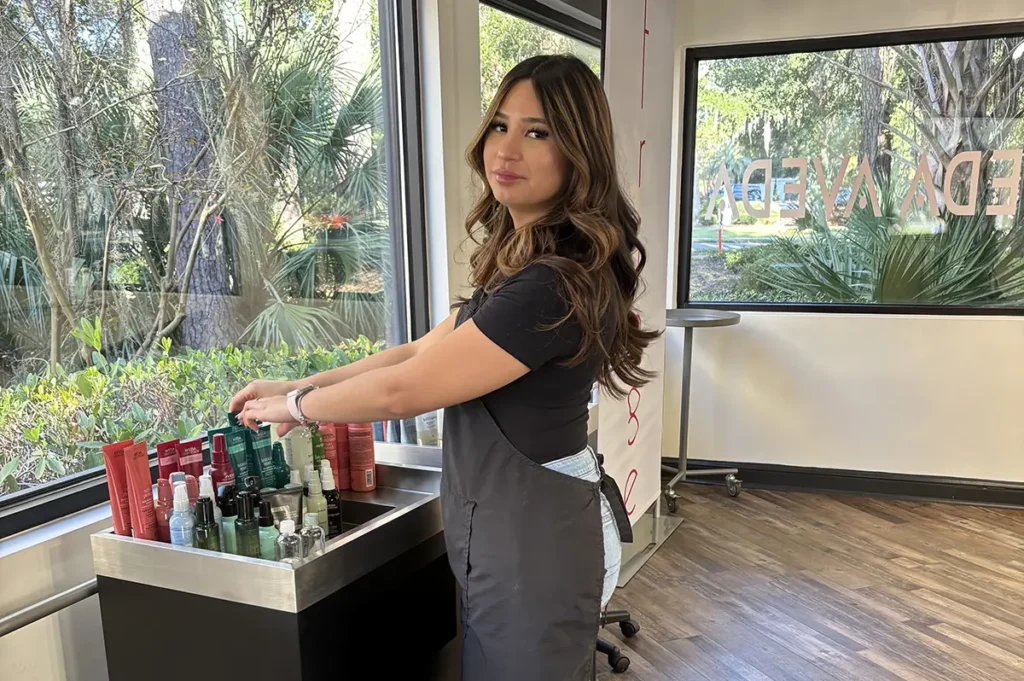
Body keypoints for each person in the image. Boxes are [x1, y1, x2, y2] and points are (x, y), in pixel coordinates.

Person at [231, 54, 658, 681]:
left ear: (578, 154)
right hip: (515, 540)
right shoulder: (523, 266)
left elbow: (407, 389)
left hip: (533, 550)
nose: (506, 148)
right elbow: (415, 354)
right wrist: (299, 385)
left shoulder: (551, 286)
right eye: (500, 126)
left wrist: (296, 410)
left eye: (537, 132)